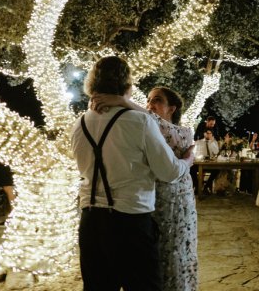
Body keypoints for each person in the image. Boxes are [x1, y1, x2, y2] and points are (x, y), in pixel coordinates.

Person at [71, 56, 194, 291]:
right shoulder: (140, 122)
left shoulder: (80, 124)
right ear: (127, 86)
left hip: (90, 222)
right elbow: (169, 172)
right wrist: (187, 160)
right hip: (130, 223)